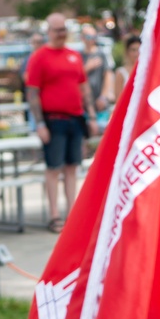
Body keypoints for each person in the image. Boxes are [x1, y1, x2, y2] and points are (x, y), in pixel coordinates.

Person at [26, 12, 99, 232]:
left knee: (72, 167)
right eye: (57, 30)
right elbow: (32, 92)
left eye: (64, 29)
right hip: (53, 119)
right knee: (54, 167)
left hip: (75, 118)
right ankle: (54, 215)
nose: (61, 34)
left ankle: (72, 213)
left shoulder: (74, 55)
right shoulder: (40, 57)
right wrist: (39, 124)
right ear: (49, 31)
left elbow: (83, 86)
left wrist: (92, 114)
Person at [80, 24, 113, 129]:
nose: (92, 40)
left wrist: (103, 96)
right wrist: (87, 67)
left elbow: (108, 75)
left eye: (94, 37)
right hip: (84, 104)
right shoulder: (79, 56)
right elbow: (76, 77)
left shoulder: (101, 54)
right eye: (89, 37)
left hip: (99, 102)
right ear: (82, 38)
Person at [113, 34, 141, 105]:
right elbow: (118, 100)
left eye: (138, 50)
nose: (136, 53)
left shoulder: (146, 71)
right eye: (133, 50)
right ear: (128, 52)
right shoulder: (121, 73)